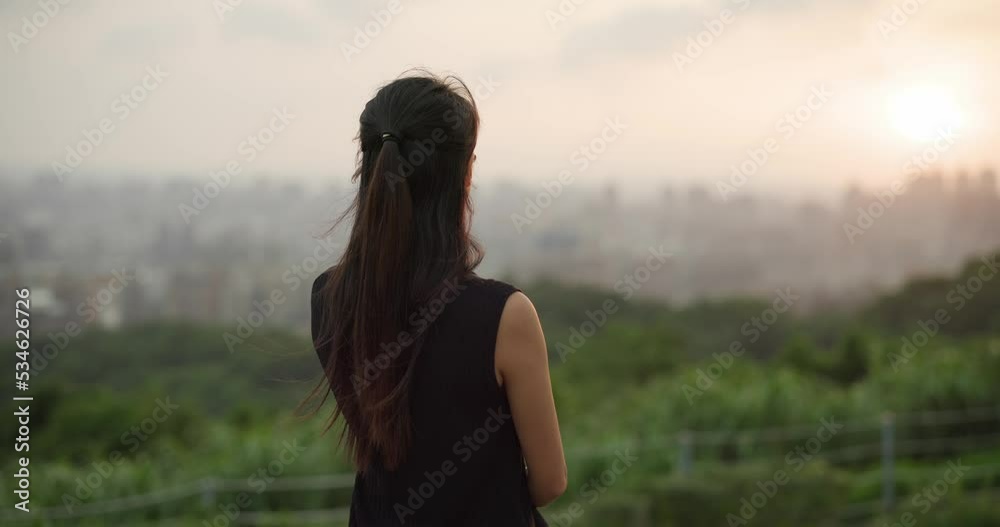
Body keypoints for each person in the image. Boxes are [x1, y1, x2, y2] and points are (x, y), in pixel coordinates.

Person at [303, 71, 566, 526]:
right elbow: (550, 481)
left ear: (369, 168)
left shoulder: (329, 299)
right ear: (464, 176)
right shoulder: (505, 317)